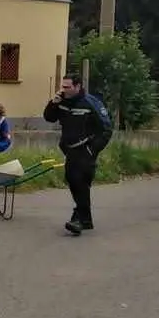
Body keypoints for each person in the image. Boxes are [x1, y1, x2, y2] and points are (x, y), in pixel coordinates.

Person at [43, 74, 114, 236]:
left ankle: (79, 219)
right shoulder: (62, 101)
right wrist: (53, 104)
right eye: (63, 86)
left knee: (80, 182)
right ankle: (84, 219)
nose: (64, 90)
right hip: (70, 149)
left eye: (67, 87)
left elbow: (106, 129)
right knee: (73, 181)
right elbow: (49, 118)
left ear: (78, 86)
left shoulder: (90, 103)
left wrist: (93, 150)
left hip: (86, 149)